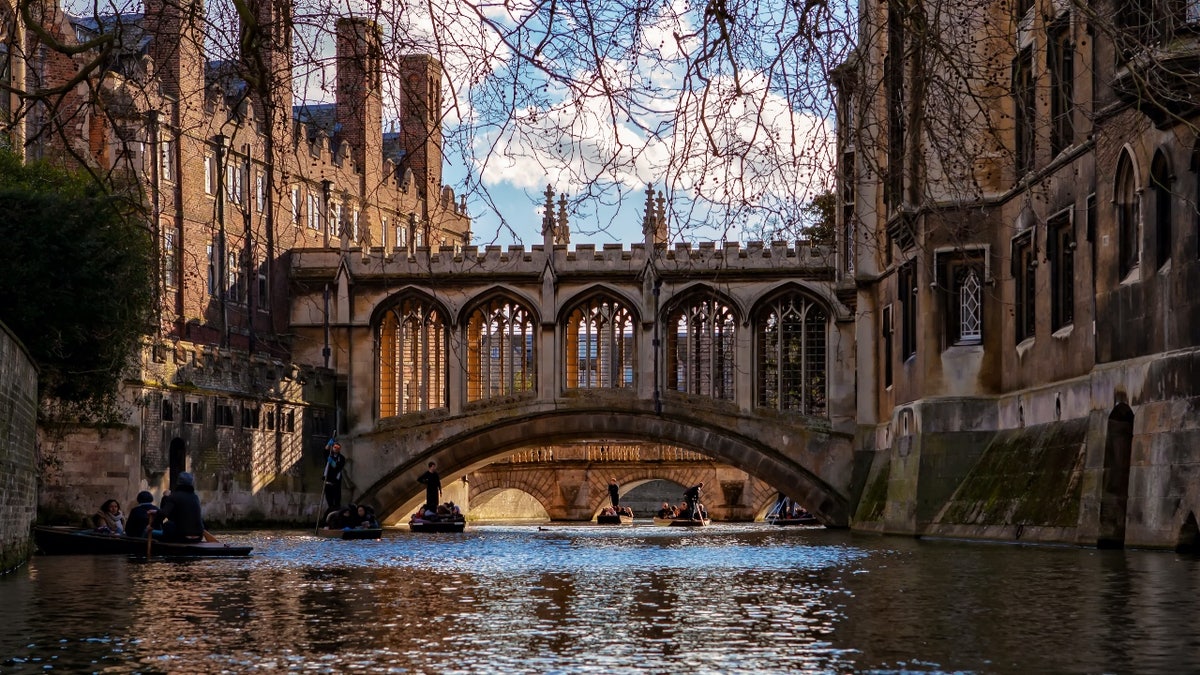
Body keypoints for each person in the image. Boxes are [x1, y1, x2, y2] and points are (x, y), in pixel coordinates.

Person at [158, 472, 205, 541]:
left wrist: (165, 498)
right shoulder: (195, 497)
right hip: (199, 536)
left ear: (178, 482)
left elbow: (163, 514)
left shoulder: (174, 496)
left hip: (182, 536)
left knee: (168, 525)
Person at [323, 440, 347, 515]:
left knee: (336, 500)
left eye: (338, 448)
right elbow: (325, 451)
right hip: (327, 480)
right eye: (335, 447)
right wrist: (328, 444)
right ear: (332, 448)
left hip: (336, 481)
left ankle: (337, 514)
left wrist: (332, 462)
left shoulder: (342, 458)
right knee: (329, 500)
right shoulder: (330, 455)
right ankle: (330, 513)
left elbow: (338, 467)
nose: (336, 449)